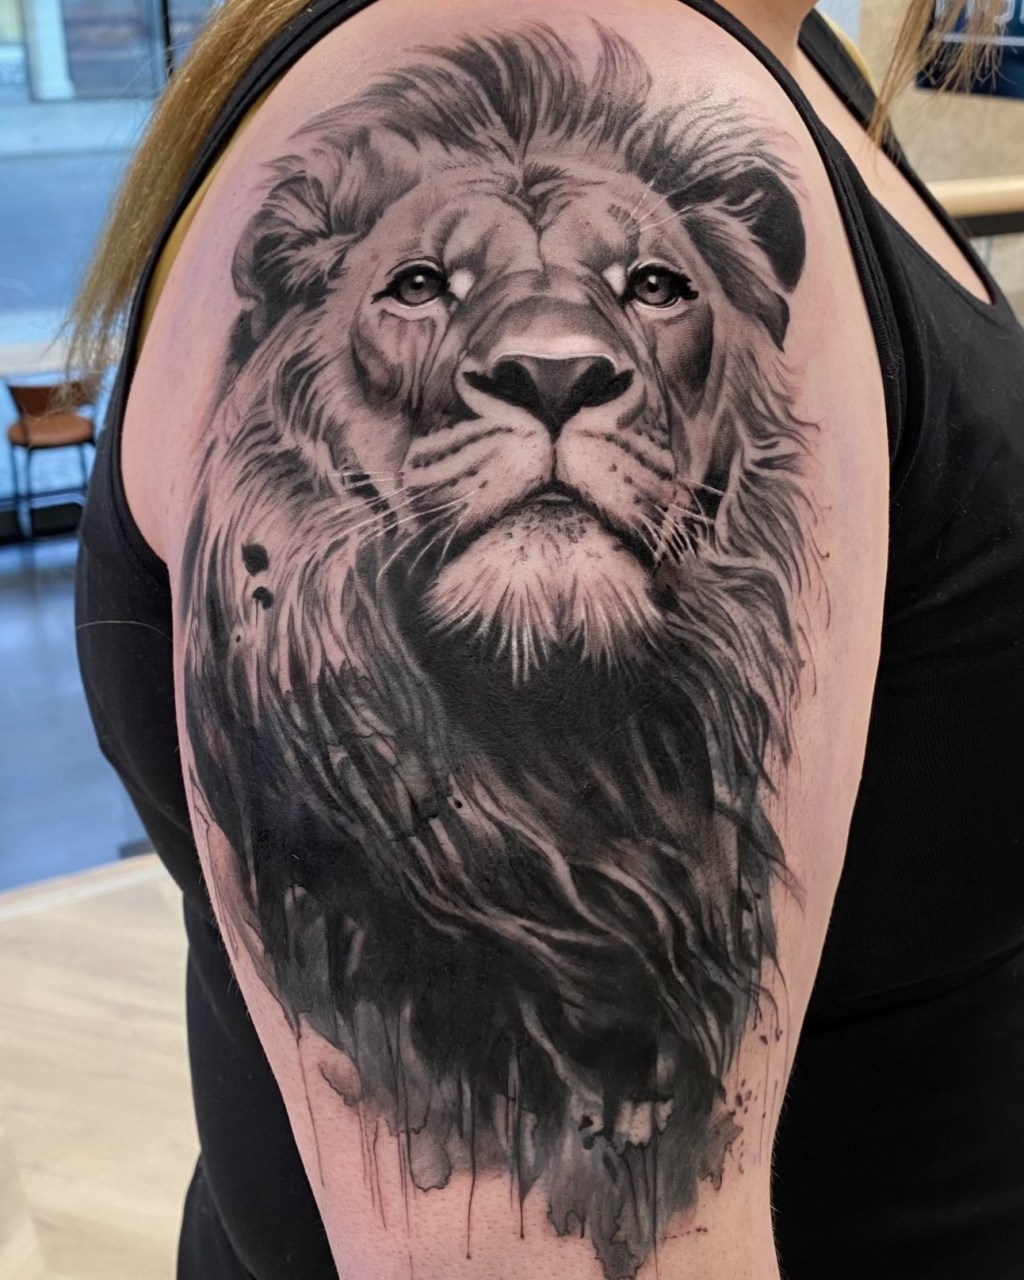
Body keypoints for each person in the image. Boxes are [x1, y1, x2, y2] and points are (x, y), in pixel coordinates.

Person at [72, 1, 1024, 1277]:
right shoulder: (632, 68)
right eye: (422, 286)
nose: (556, 352)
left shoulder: (792, 54)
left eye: (650, 287)